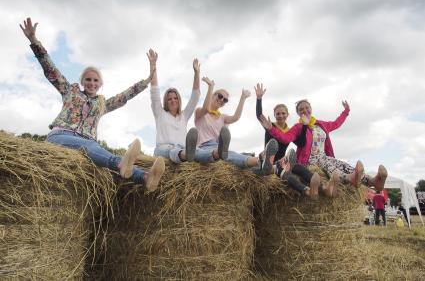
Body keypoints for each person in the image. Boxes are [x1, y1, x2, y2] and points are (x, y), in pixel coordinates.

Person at [20, 17, 165, 191]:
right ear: (82, 81)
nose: (92, 83)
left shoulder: (102, 104)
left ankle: (145, 177)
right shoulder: (69, 91)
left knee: (96, 149)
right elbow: (50, 68)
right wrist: (34, 40)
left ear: (100, 84)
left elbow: (125, 96)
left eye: (95, 80)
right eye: (88, 79)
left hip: (88, 142)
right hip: (61, 137)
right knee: (91, 147)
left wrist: (147, 80)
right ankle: (127, 166)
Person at [259, 99, 388, 191]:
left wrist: (346, 111)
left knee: (341, 164)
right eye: (301, 109)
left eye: (306, 108)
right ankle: (349, 178)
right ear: (298, 113)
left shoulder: (321, 125)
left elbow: (337, 123)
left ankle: (373, 182)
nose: (304, 110)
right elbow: (285, 138)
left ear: (310, 109)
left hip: (323, 156)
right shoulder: (298, 127)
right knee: (328, 165)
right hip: (308, 161)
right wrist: (271, 128)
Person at [255, 84, 337, 198]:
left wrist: (304, 126)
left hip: (283, 161)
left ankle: (323, 187)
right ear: (274, 115)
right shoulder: (270, 126)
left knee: (300, 168)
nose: (281, 116)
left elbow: (301, 143)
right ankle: (307, 191)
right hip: (269, 162)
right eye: (278, 113)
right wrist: (259, 99)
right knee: (286, 173)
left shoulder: (289, 131)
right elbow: (259, 116)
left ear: (287, 115)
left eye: (283, 113)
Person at [194, 78, 277, 173]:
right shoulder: (200, 112)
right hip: (204, 147)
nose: (222, 100)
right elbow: (205, 109)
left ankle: (272, 167)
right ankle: (261, 160)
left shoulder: (222, 117)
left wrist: (243, 98)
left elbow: (236, 117)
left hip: (219, 146)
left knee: (232, 156)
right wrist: (210, 87)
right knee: (230, 156)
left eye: (225, 100)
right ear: (213, 96)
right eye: (220, 96)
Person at [147, 49, 212, 163]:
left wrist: (197, 73)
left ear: (179, 100)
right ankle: (186, 154)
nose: (173, 101)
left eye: (175, 98)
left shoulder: (184, 116)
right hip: (163, 150)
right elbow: (154, 91)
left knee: (199, 151)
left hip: (183, 148)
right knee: (174, 151)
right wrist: (153, 65)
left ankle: (217, 153)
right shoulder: (160, 113)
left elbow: (195, 97)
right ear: (166, 102)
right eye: (170, 99)